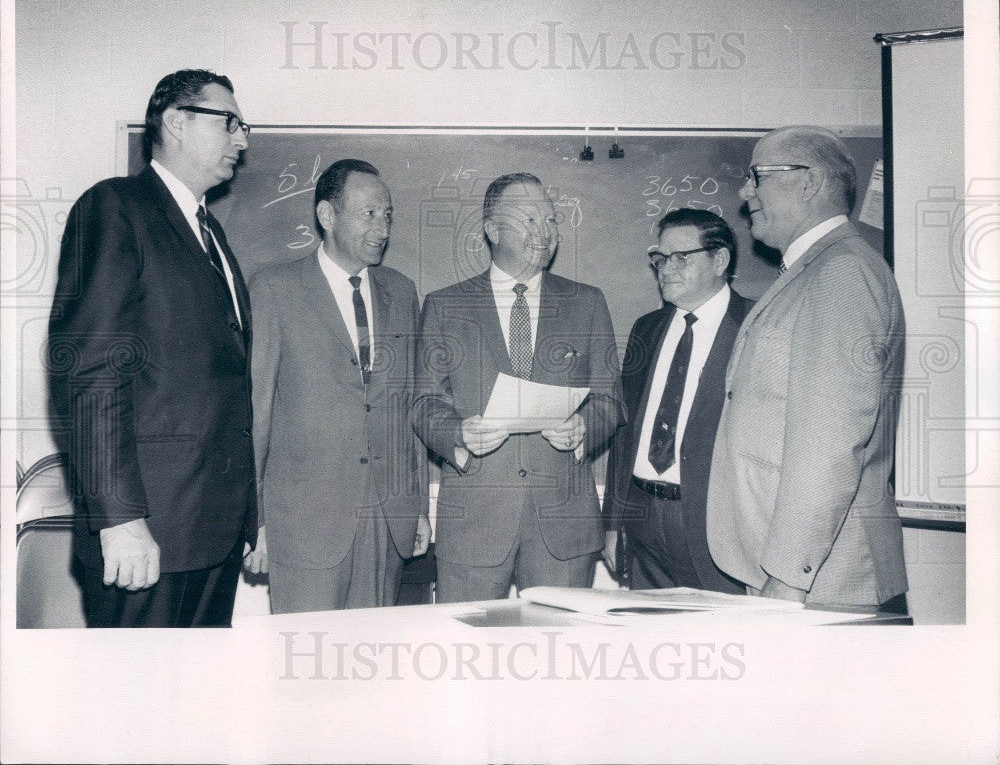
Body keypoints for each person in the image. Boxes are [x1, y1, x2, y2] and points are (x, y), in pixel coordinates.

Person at [47, 69, 257, 627]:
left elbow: (227, 390)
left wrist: (248, 518)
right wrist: (119, 519)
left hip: (210, 533)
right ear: (176, 122)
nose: (242, 139)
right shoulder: (114, 208)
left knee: (195, 703)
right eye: (230, 122)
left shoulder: (212, 235)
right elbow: (89, 371)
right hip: (146, 536)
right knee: (135, 706)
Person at [707, 125, 907, 609]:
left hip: (821, 581)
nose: (744, 191)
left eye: (757, 176)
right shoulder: (814, 269)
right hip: (799, 570)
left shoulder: (841, 275)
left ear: (809, 181)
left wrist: (789, 577)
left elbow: (829, 442)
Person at [412, 172, 625, 603]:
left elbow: (610, 399)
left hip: (564, 527)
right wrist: (457, 433)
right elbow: (424, 403)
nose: (545, 232)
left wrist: (585, 427)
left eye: (550, 220)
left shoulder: (587, 302)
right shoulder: (445, 305)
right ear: (493, 230)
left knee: (558, 659)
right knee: (468, 658)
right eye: (530, 220)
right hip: (475, 521)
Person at [247, 159, 430, 613]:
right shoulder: (275, 288)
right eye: (368, 213)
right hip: (303, 523)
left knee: (372, 665)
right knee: (306, 663)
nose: (382, 227)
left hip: (387, 519)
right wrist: (257, 520)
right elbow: (256, 414)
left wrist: (418, 506)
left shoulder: (402, 291)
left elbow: (410, 407)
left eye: (387, 214)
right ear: (327, 216)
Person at [603, 208, 751, 594]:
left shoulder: (756, 327)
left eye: (680, 257)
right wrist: (614, 522)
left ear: (719, 260)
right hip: (643, 521)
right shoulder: (646, 328)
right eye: (660, 258)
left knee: (721, 645)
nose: (665, 269)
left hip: (717, 525)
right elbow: (624, 432)